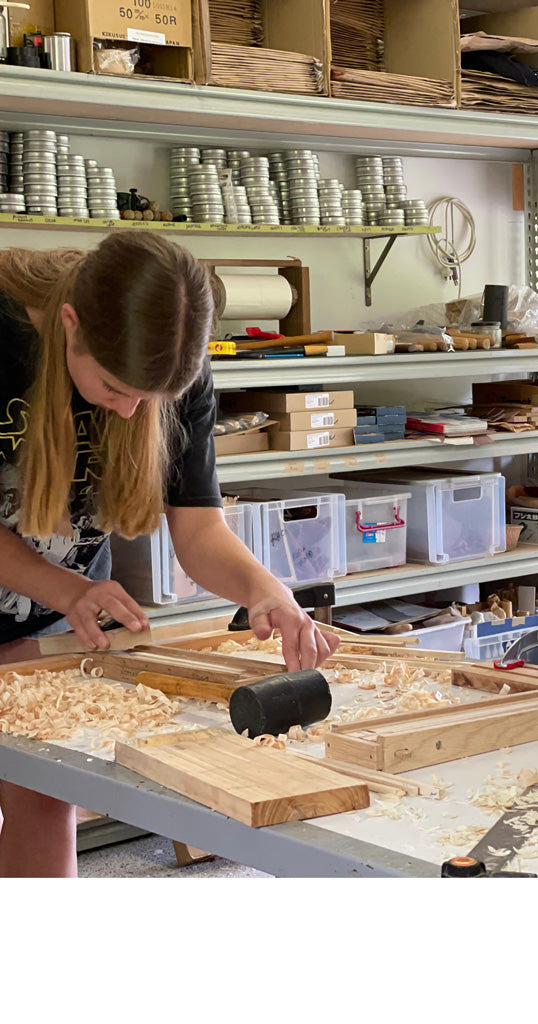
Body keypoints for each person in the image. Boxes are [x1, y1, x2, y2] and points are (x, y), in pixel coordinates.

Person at [0, 231, 339, 876]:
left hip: (50, 612)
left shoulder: (174, 365)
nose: (131, 411)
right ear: (69, 325)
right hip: (57, 594)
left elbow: (199, 532)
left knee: (44, 794)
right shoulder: (3, 338)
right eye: (113, 385)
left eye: (150, 400)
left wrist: (267, 592)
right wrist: (67, 590)